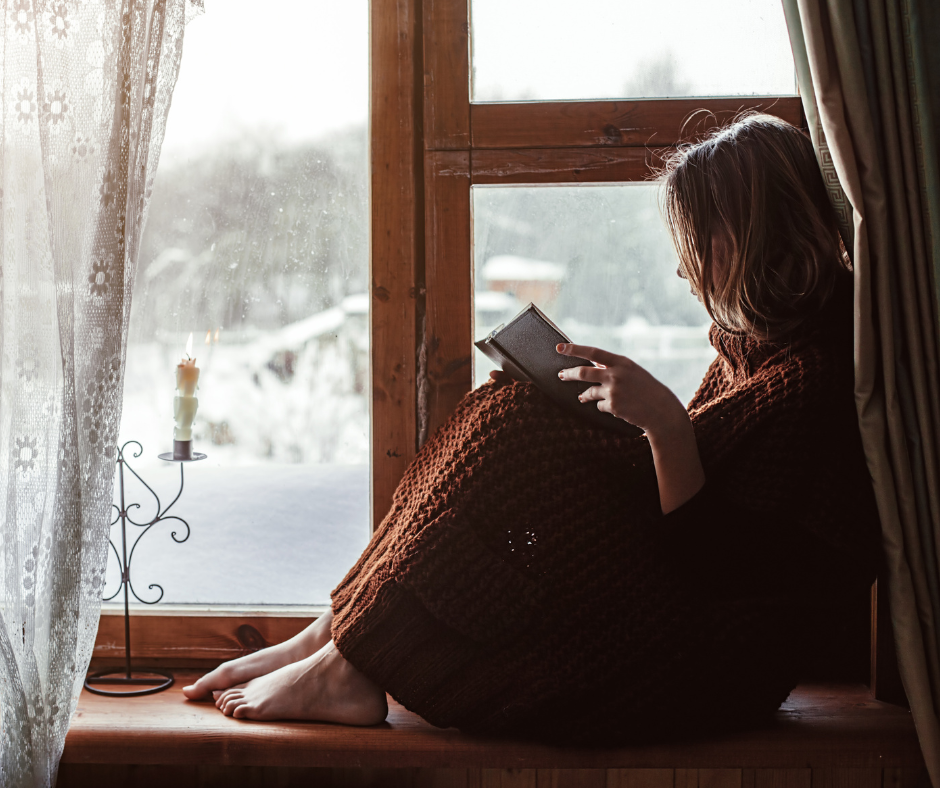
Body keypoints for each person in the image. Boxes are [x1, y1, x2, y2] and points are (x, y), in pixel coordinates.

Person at [182, 114, 881, 740]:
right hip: (682, 619)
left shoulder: (811, 385)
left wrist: (662, 424)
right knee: (503, 406)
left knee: (516, 433)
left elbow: (721, 571)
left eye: (698, 242)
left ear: (751, 238)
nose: (681, 268)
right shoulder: (756, 353)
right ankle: (335, 636)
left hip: (705, 665)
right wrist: (633, 426)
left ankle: (347, 659)